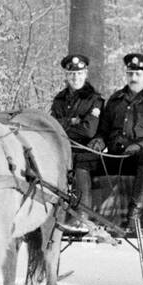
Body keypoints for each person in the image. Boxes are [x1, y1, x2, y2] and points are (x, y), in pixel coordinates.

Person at [93, 52, 143, 228]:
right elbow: (104, 130)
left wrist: (140, 145)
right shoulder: (115, 100)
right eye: (130, 73)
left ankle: (134, 214)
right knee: (86, 160)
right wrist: (99, 141)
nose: (133, 77)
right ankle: (87, 214)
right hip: (116, 157)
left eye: (138, 74)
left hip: (141, 160)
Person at [50, 54, 103, 233]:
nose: (75, 78)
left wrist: (64, 124)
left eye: (79, 74)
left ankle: (82, 218)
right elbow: (51, 127)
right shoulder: (59, 99)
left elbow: (89, 130)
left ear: (86, 74)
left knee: (81, 165)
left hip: (86, 149)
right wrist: (74, 121)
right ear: (66, 76)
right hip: (62, 148)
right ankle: (49, 214)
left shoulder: (94, 99)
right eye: (72, 74)